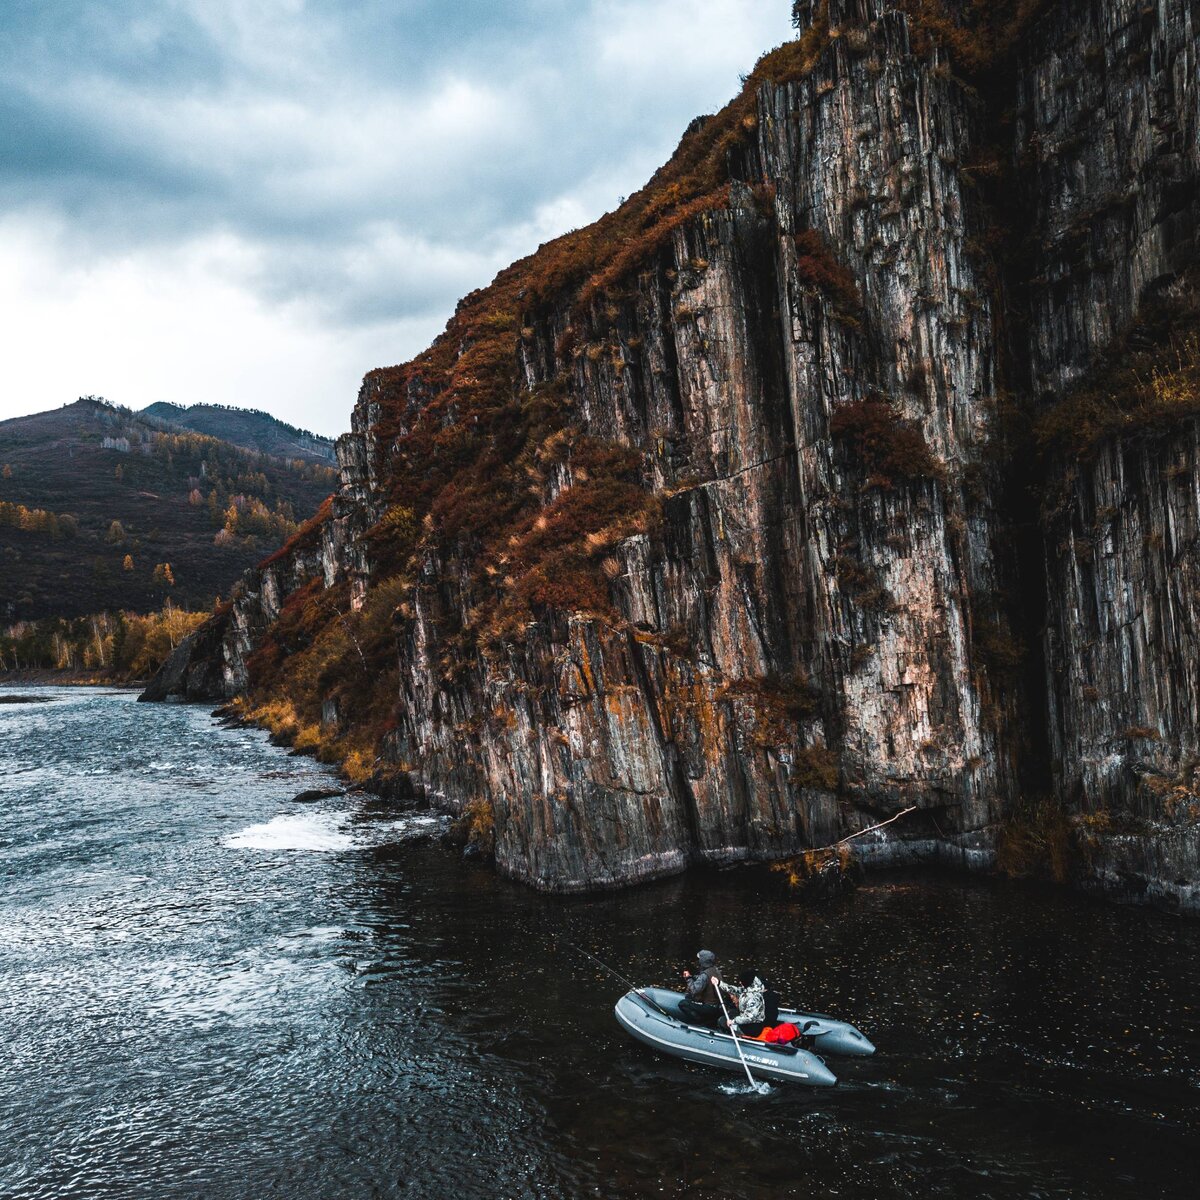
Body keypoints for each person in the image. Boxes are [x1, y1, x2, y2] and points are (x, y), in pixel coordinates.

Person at [678, 949, 730, 1026]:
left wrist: (688, 979)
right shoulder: (716, 970)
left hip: (709, 1007)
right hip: (717, 1006)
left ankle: (699, 1021)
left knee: (683, 1004)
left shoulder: (704, 975)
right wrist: (692, 977)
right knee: (688, 997)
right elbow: (704, 980)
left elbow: (694, 990)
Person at [717, 969, 767, 1038]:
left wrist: (733, 1021)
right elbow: (735, 990)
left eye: (741, 981)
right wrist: (719, 983)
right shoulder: (749, 988)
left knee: (722, 1021)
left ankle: (728, 1039)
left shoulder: (753, 998)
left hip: (752, 1028)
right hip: (748, 1023)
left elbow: (749, 1018)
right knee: (730, 1013)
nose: (740, 982)